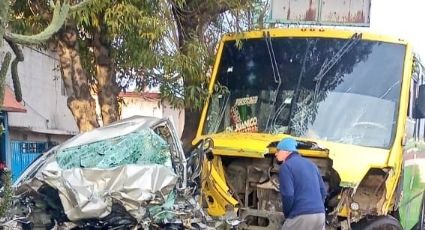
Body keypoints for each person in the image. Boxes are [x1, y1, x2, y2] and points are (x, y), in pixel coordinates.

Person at [275, 137, 327, 230]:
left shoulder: (286, 166)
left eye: (278, 150)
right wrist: (315, 208)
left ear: (287, 151)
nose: (276, 153)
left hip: (302, 216)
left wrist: (288, 214)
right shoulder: (311, 164)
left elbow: (288, 195)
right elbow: (323, 191)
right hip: (320, 215)